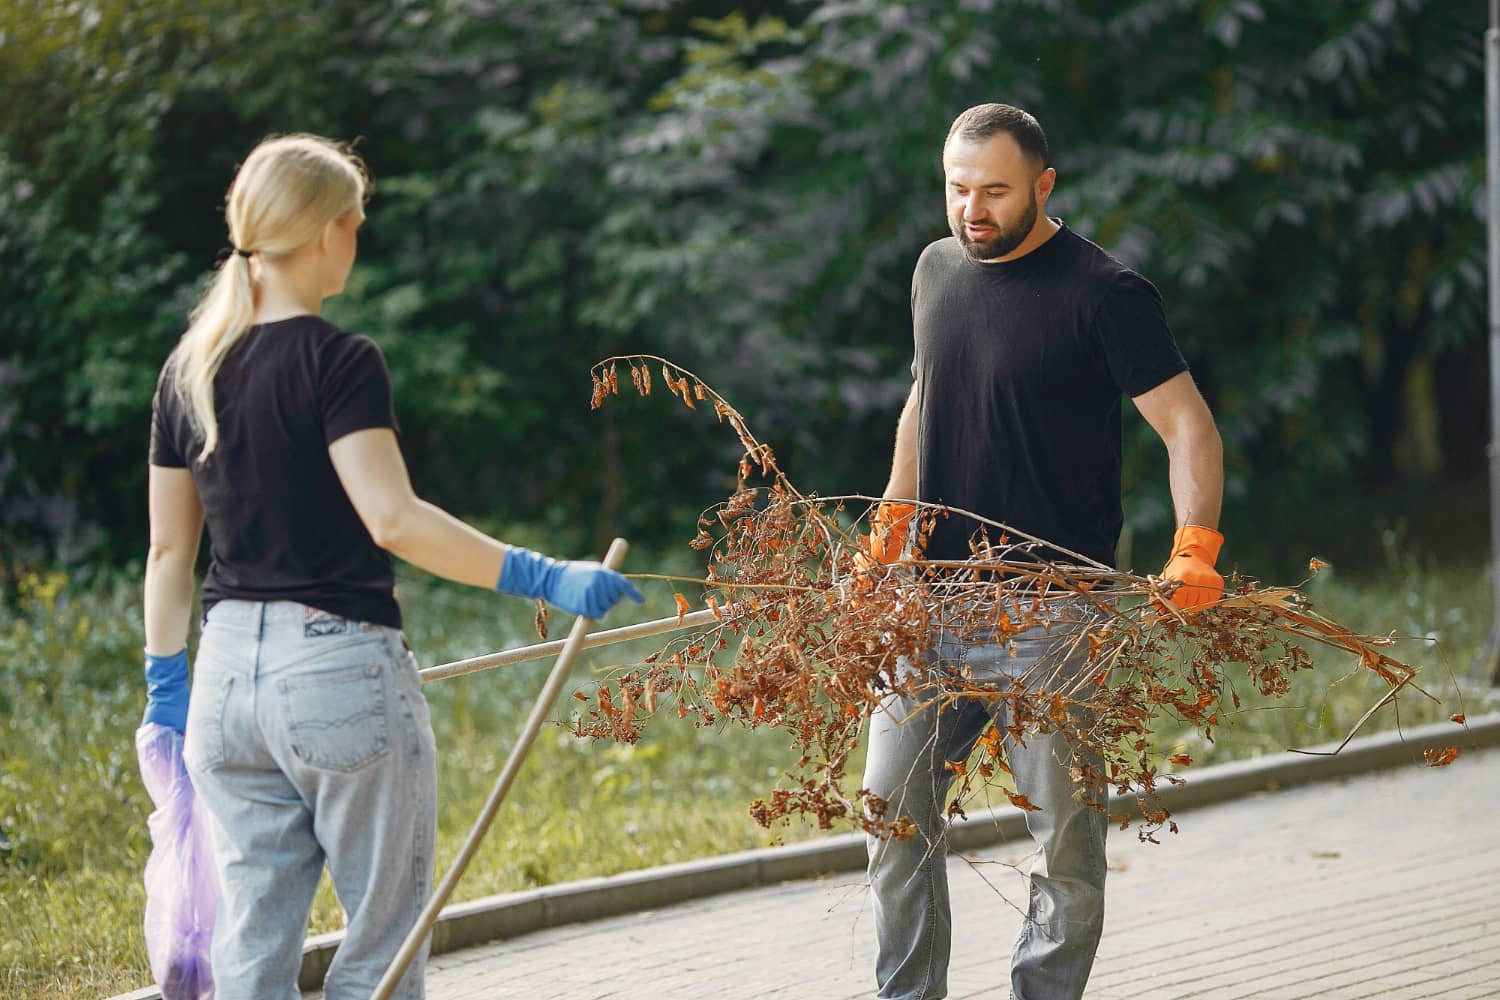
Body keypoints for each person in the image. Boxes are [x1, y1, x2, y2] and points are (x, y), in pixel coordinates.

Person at [141, 133, 643, 1000]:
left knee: (251, 948)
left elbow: (167, 553)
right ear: (330, 230)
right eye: (356, 224)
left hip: (222, 684)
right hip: (335, 673)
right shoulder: (340, 361)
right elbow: (392, 518)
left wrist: (163, 680)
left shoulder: (190, 371)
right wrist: (542, 576)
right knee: (381, 943)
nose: (358, 241)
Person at [861, 104, 1225, 1000]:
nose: (970, 210)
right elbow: (924, 400)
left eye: (993, 191)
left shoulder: (1104, 294)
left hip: (1051, 614)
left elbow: (1187, 427)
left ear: (1044, 187)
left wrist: (1196, 545)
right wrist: (889, 526)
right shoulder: (935, 270)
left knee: (1063, 841)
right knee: (890, 814)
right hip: (929, 600)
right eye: (956, 189)